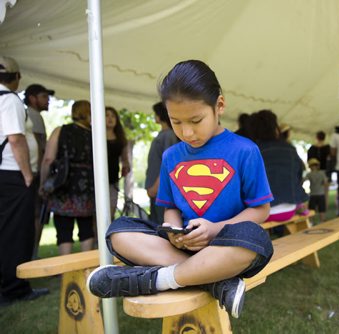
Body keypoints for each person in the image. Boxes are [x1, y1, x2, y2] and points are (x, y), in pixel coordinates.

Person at [87, 60, 274, 319]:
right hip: (182, 247)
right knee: (118, 233)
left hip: (225, 244)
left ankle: (158, 279)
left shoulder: (245, 150)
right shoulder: (171, 156)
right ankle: (213, 280)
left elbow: (261, 209)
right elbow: (171, 207)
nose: (187, 132)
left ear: (219, 105)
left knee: (255, 240)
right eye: (176, 122)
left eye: (196, 120)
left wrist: (214, 229)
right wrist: (173, 231)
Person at [0, 56, 49, 307]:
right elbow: (16, 138)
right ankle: (15, 288)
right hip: (12, 174)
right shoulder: (8, 99)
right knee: (16, 232)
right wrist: (28, 174)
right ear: (16, 77)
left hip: (4, 173)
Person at [40, 100, 95, 255]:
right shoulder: (95, 135)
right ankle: (85, 270)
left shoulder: (60, 131)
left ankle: (67, 274)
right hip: (88, 185)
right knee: (86, 228)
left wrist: (44, 183)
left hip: (63, 183)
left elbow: (48, 159)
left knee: (63, 229)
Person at [248, 109, 309, 226]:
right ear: (275, 128)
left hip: (262, 213)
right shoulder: (290, 148)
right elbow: (299, 176)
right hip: (289, 210)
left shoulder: (252, 150)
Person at [24, 83, 55, 259]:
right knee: (36, 216)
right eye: (44, 96)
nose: (48, 100)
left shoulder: (34, 116)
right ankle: (30, 258)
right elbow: (41, 150)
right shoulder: (32, 116)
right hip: (34, 175)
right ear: (32, 98)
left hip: (34, 174)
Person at [145, 102, 178, 224]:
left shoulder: (169, 135)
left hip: (161, 192)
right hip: (156, 192)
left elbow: (170, 163)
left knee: (161, 226)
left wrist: (155, 187)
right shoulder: (163, 134)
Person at [105, 106, 130, 219]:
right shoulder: (94, 135)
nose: (110, 118)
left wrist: (126, 166)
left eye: (113, 116)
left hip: (113, 180)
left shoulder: (120, 138)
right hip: (93, 181)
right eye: (107, 115)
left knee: (110, 210)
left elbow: (125, 159)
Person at [304, 158, 328, 222]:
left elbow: (302, 181)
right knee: (322, 211)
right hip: (320, 194)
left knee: (312, 212)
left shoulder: (309, 174)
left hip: (313, 195)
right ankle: (322, 223)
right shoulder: (322, 173)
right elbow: (326, 183)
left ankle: (311, 223)